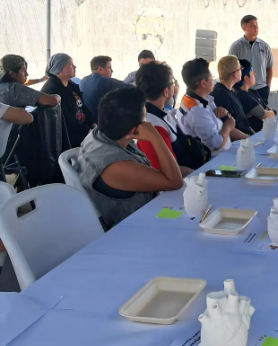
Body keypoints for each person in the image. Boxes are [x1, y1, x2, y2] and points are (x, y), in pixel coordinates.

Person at [78, 87, 183, 229]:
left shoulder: (101, 133)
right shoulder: (116, 165)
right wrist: (155, 137)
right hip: (133, 228)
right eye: (145, 118)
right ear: (134, 130)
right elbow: (175, 182)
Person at [135, 61, 208, 173]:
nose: (174, 86)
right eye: (172, 83)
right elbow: (167, 171)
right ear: (166, 91)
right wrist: (201, 174)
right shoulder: (154, 125)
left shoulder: (158, 114)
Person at [179, 58, 247, 153]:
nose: (214, 80)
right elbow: (216, 144)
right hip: (217, 158)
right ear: (203, 83)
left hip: (227, 149)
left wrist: (223, 113)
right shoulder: (196, 111)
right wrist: (228, 126)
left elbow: (217, 119)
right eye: (211, 77)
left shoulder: (203, 99)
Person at [42, 53, 96, 148]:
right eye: (70, 64)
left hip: (82, 131)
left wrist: (93, 124)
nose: (74, 67)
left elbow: (83, 107)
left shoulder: (71, 85)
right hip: (68, 138)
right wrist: (87, 131)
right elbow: (65, 119)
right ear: (59, 68)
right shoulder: (52, 90)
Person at [229, 15, 273, 103]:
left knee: (261, 110)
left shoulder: (265, 46)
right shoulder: (236, 47)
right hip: (242, 89)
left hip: (261, 88)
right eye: (252, 25)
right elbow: (230, 68)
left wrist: (268, 87)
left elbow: (269, 67)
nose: (256, 28)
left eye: (256, 25)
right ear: (244, 28)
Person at [211, 56, 253, 135]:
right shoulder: (220, 95)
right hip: (240, 140)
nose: (241, 71)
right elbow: (229, 129)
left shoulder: (229, 90)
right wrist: (250, 139)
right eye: (240, 69)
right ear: (235, 74)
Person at [234, 59, 276, 133]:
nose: (255, 74)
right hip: (253, 135)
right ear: (246, 78)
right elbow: (264, 115)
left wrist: (268, 112)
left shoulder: (252, 92)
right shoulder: (242, 96)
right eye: (252, 72)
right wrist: (274, 112)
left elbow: (265, 108)